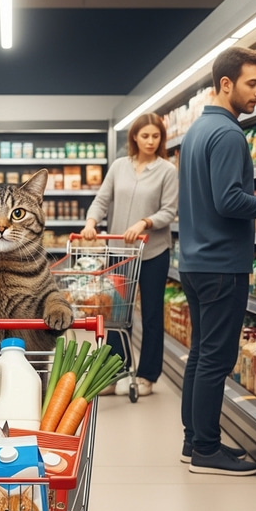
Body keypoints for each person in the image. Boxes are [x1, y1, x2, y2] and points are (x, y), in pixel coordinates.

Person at [178, 46, 256, 476]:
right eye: (252, 83)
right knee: (216, 357)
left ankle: (194, 440)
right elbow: (229, 200)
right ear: (226, 84)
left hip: (195, 262)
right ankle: (206, 451)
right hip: (221, 264)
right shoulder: (229, 134)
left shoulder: (196, 132)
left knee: (200, 354)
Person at [80, 112, 177, 397]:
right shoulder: (119, 166)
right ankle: (113, 374)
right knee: (116, 316)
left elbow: (169, 211)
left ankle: (147, 375)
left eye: (155, 136)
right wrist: (91, 222)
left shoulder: (167, 171)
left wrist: (145, 222)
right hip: (120, 253)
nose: (150, 141)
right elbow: (102, 199)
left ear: (161, 139)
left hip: (153, 253)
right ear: (134, 137)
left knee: (151, 315)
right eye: (145, 135)